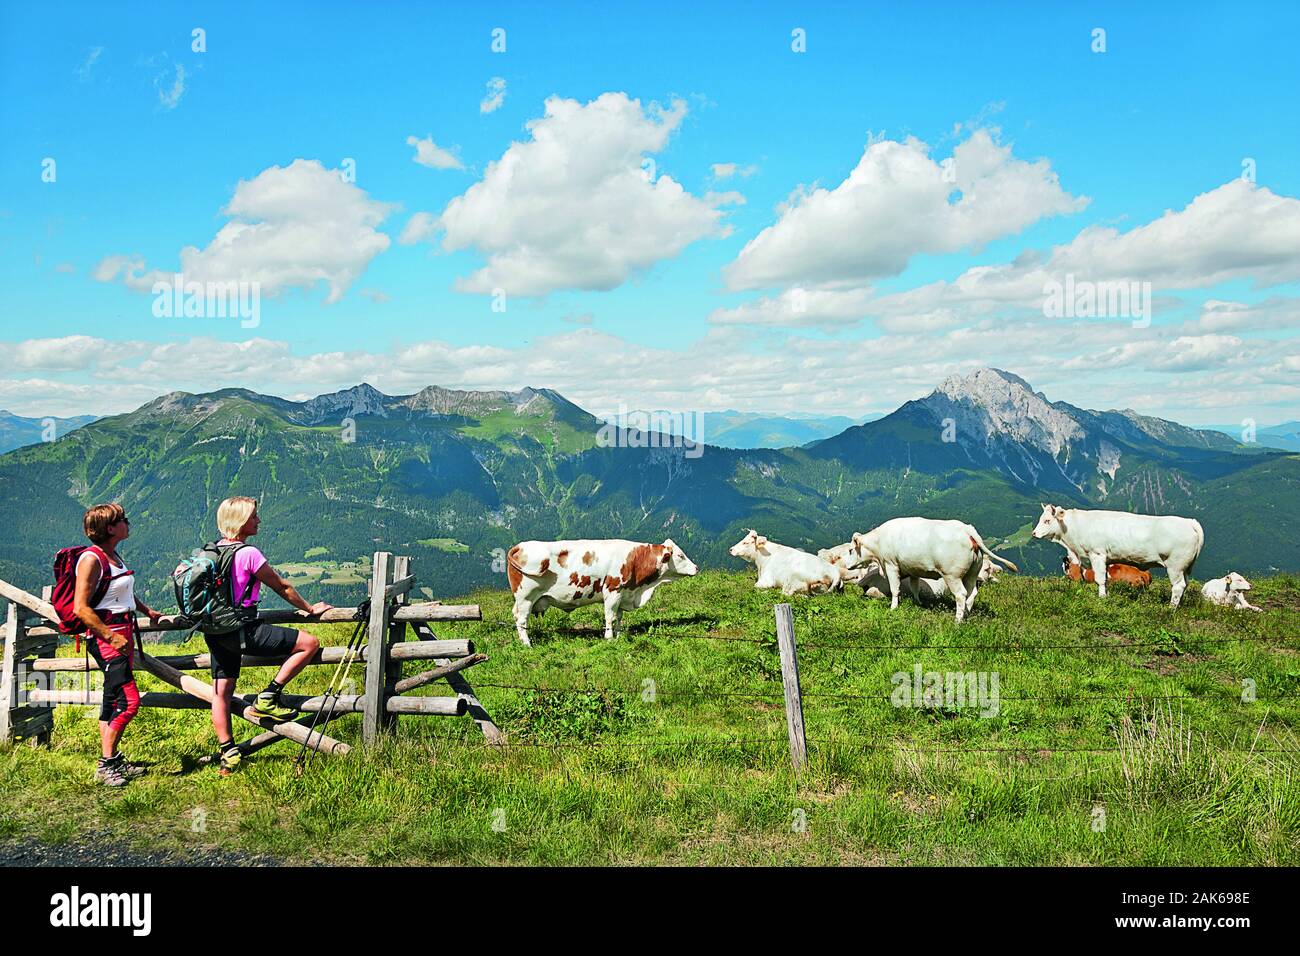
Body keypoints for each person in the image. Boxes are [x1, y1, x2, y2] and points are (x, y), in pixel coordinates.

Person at [205, 496, 332, 774]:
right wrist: (309, 609)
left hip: (216, 633)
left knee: (221, 694)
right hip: (244, 631)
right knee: (309, 643)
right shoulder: (247, 553)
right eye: (254, 517)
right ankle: (269, 695)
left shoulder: (211, 552)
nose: (258, 520)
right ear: (240, 521)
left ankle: (228, 754)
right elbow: (282, 586)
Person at [73, 503, 163, 787]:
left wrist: (146, 611)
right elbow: (81, 608)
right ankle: (106, 764)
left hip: (121, 633)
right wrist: (111, 637)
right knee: (129, 702)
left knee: (112, 700)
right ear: (110, 528)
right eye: (122, 519)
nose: (128, 522)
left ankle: (112, 759)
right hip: (108, 637)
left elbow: (119, 589)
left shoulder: (112, 555)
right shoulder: (91, 559)